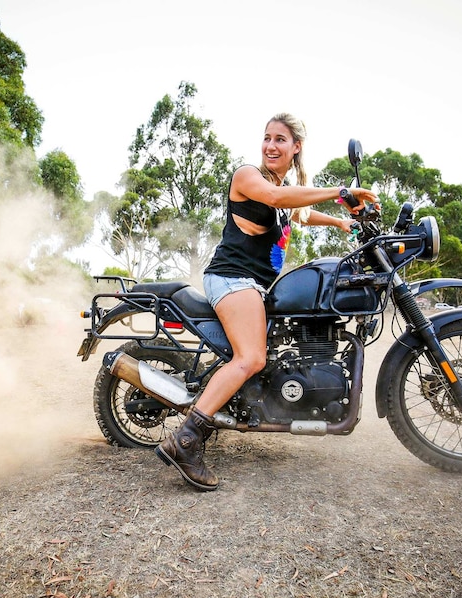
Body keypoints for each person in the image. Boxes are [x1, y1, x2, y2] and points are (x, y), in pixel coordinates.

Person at [155, 113, 379, 491]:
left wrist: (341, 223)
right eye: (267, 138)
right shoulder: (248, 176)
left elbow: (300, 214)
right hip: (231, 278)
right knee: (251, 358)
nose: (271, 145)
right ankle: (186, 439)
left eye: (280, 140)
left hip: (252, 284)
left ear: (296, 147)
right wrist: (340, 193)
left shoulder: (283, 185)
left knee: (267, 351)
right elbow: (276, 198)